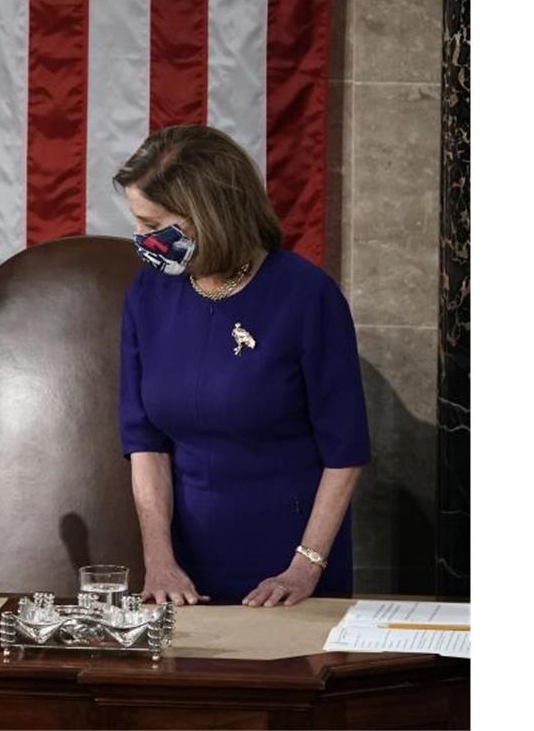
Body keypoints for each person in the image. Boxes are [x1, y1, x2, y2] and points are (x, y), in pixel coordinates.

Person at [115, 125, 369, 608]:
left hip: (289, 568)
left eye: (153, 224)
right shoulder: (148, 294)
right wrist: (159, 559)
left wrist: (305, 566)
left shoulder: (307, 296)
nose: (142, 238)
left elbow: (346, 452)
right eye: (138, 222)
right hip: (182, 568)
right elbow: (145, 442)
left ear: (208, 215)